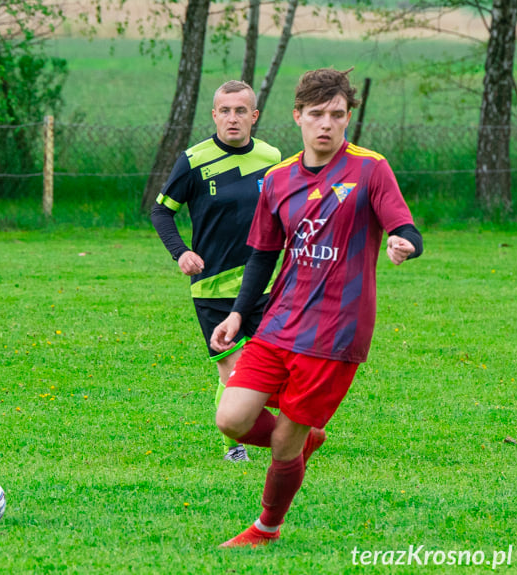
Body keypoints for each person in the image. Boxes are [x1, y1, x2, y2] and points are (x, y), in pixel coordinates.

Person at [210, 68, 423, 546]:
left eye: (337, 115)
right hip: (279, 322)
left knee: (284, 441)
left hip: (336, 333)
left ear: (348, 118)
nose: (326, 124)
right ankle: (303, 438)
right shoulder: (278, 178)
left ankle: (267, 528)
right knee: (231, 417)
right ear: (297, 117)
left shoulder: (371, 169)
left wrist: (403, 243)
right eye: (316, 115)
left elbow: (403, 225)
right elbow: (263, 254)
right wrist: (239, 314)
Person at [151, 80, 281, 462]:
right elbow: (161, 211)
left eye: (241, 111)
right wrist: (181, 252)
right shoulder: (193, 161)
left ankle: (285, 436)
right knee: (235, 371)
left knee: (275, 369)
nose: (233, 118)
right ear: (214, 115)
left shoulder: (272, 158)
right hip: (213, 288)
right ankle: (235, 446)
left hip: (265, 285)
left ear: (254, 117)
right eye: (225, 111)